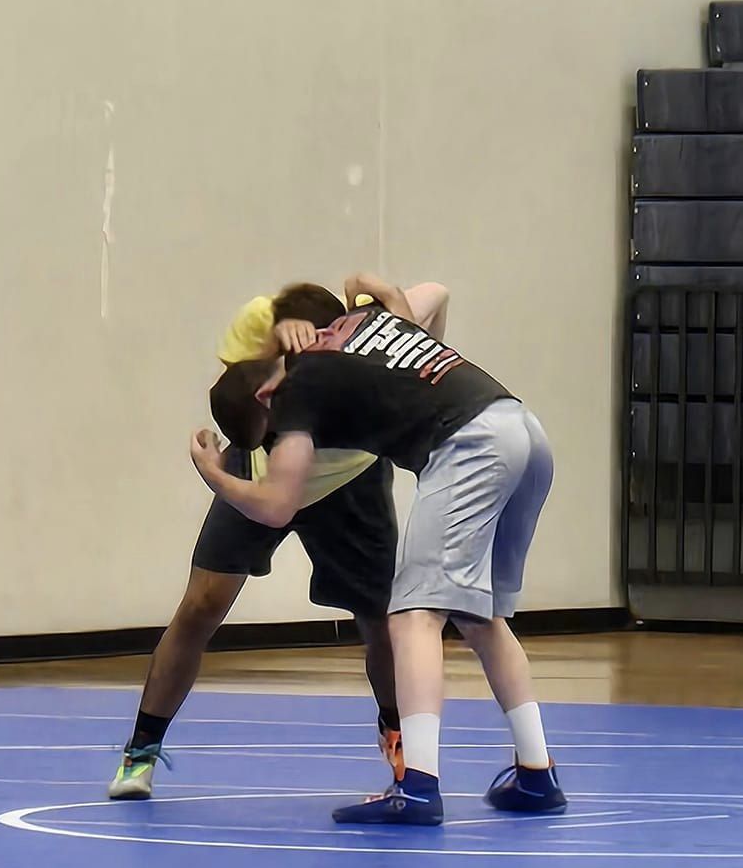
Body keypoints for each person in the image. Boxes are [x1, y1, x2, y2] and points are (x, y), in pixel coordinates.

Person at [189, 276, 561, 827]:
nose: (282, 442)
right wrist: (370, 285)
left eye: (271, 437)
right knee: (482, 618)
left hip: (470, 444)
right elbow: (435, 292)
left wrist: (213, 474)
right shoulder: (362, 323)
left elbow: (276, 506)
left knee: (411, 616)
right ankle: (535, 774)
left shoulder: (294, 390)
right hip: (522, 428)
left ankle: (418, 787)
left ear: (265, 398)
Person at [108, 279, 446, 801]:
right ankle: (142, 752)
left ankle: (401, 744)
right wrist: (272, 349)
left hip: (348, 476)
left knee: (381, 622)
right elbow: (237, 398)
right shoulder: (259, 322)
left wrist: (380, 296)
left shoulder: (365, 336)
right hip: (263, 471)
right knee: (201, 604)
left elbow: (434, 294)